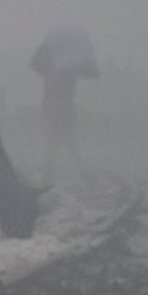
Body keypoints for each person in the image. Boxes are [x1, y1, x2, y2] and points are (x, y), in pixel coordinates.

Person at [31, 24, 99, 185]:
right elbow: (90, 73)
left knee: (57, 144)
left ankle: (51, 176)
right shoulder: (68, 67)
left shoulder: (53, 67)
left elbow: (35, 65)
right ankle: (81, 175)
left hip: (57, 109)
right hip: (63, 110)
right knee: (67, 144)